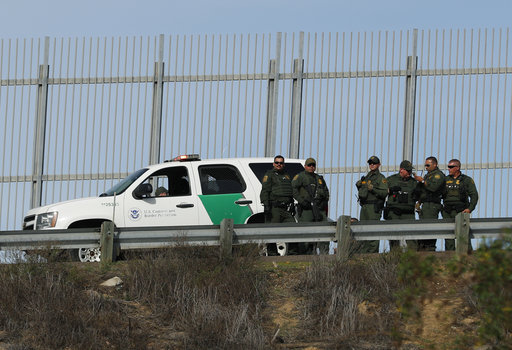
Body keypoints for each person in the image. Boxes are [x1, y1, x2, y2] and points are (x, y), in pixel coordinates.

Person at [292, 157, 330, 253]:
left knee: (324, 232)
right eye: (309, 165)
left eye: (313, 165)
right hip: (306, 209)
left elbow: (326, 192)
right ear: (305, 166)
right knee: (305, 233)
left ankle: (324, 255)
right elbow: (293, 189)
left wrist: (323, 203)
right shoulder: (300, 177)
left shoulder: (319, 179)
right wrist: (302, 201)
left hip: (319, 209)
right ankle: (304, 255)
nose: (311, 167)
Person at [442, 159, 479, 251]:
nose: (449, 169)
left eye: (451, 167)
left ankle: (467, 256)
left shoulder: (466, 180)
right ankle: (449, 255)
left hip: (461, 210)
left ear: (457, 168)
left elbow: (474, 195)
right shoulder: (445, 180)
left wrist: (470, 209)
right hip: (447, 211)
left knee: (463, 234)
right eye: (448, 167)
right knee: (448, 234)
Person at [384, 160, 420, 249]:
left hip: (408, 213)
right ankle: (394, 256)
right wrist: (390, 190)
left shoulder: (414, 182)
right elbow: (381, 192)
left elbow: (420, 196)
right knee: (394, 238)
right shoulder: (391, 180)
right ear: (401, 170)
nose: (409, 173)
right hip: (394, 213)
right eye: (407, 170)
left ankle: (413, 258)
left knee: (411, 237)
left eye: (410, 171)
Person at [355, 156, 388, 253]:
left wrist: (373, 188)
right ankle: (364, 252)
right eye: (370, 163)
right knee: (362, 230)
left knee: (372, 230)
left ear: (379, 165)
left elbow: (384, 192)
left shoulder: (380, 178)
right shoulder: (366, 177)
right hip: (364, 206)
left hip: (373, 207)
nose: (372, 165)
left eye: (374, 163)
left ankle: (372, 253)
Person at [413, 156, 445, 251]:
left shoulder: (438, 175)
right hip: (425, 204)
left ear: (434, 164)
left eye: (428, 165)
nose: (426, 167)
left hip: (432, 204)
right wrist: (419, 202)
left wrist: (422, 181)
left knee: (429, 226)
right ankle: (422, 247)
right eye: (425, 165)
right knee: (422, 227)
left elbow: (433, 187)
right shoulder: (428, 175)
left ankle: (429, 248)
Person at [260, 155, 295, 223]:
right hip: (275, 209)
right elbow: (265, 190)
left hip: (286, 209)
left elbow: (289, 190)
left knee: (292, 227)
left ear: (283, 164)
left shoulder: (286, 175)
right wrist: (266, 205)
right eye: (277, 162)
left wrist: (292, 203)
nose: (279, 164)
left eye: (281, 163)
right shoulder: (270, 174)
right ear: (273, 164)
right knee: (273, 230)